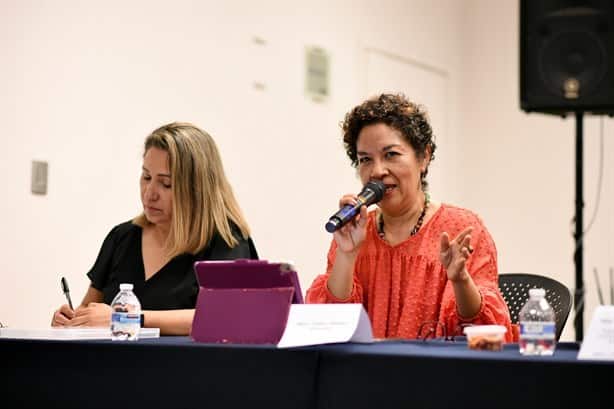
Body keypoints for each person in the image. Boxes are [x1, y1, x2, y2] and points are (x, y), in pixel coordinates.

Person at [306, 94, 513, 341]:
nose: (377, 171)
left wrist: (460, 280)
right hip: (364, 374)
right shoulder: (354, 230)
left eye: (391, 154)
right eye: (365, 160)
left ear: (423, 157)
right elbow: (330, 329)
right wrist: (347, 255)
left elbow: (482, 333)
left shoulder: (462, 228)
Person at [52, 122, 258, 335]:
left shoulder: (227, 241)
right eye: (146, 177)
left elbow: (224, 315)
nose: (150, 193)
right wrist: (71, 321)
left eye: (166, 184)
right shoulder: (122, 237)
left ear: (197, 189)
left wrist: (128, 318)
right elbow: (90, 310)